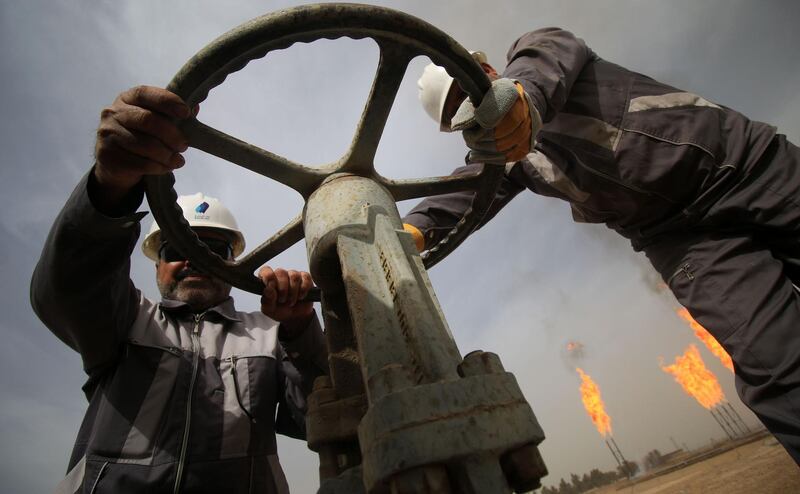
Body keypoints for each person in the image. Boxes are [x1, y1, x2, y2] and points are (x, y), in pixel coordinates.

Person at [402, 27, 800, 464]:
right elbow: (465, 195)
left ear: (486, 67)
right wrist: (409, 232)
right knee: (777, 367)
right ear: (456, 127)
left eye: (469, 85)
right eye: (460, 108)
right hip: (686, 244)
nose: (473, 104)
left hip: (750, 166)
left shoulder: (539, 54)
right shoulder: (509, 161)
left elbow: (545, 58)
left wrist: (522, 97)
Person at [30, 86, 328, 493]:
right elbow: (67, 285)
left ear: (234, 261)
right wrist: (111, 184)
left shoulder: (270, 334)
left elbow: (320, 418)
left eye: (213, 248)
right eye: (177, 248)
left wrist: (300, 331)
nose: (193, 259)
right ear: (157, 261)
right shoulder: (126, 320)